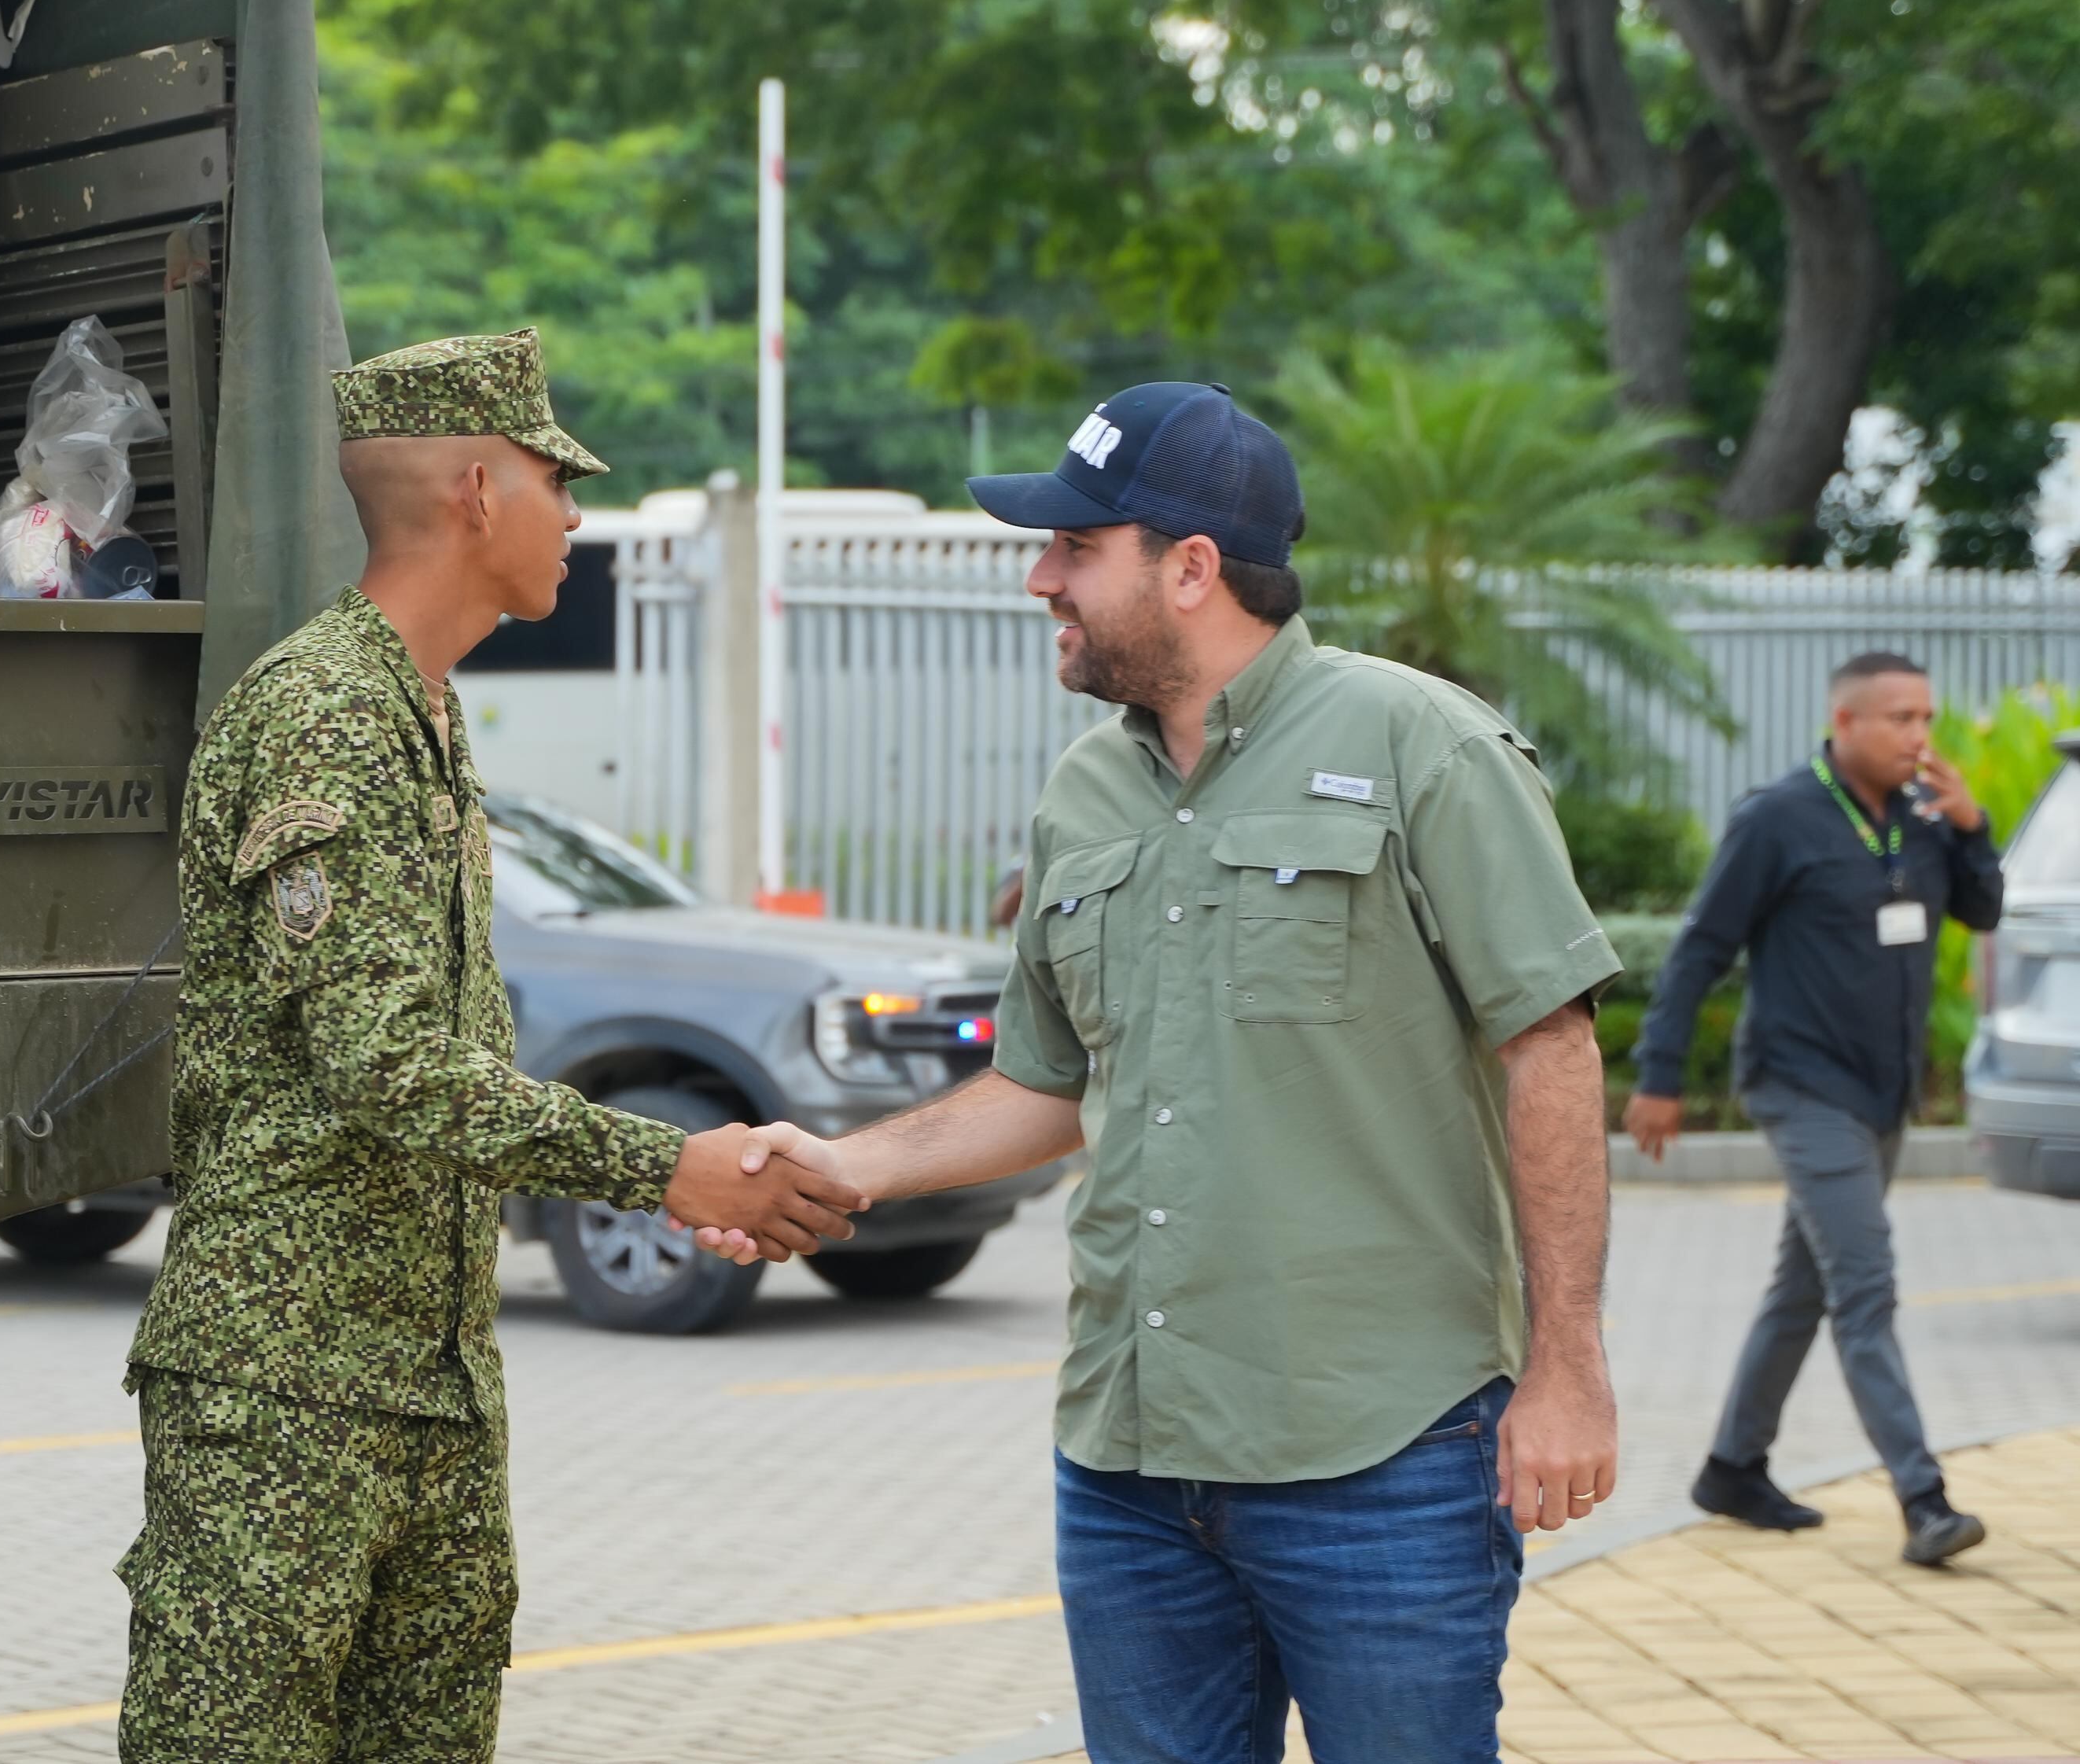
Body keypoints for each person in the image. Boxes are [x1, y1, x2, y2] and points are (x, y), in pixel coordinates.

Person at [711, 381, 1624, 1764]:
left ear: (1191, 568)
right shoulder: (1085, 792)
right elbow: (1050, 1079)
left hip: (1381, 1455)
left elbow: (1550, 1046)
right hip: (1130, 1468)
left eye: (1076, 548)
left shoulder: (1420, 744)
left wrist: (1569, 1369)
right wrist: (851, 1167)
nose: (1040, 578)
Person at [114, 328, 867, 1763]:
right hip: (291, 1384)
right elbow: (384, 1061)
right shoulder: (328, 711)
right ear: (474, 487)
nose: (575, 515)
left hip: (433, 1377)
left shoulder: (429, 712)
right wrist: (669, 1168)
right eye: (552, 479)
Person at [1628, 650, 2004, 1567]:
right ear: (1844, 723)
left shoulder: (1923, 819)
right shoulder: (1777, 818)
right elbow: (1697, 949)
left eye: (1926, 717)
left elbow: (1981, 912)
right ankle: (1924, 1499)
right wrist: (1659, 1075)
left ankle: (1730, 1467)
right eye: (1899, 719)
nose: (1919, 736)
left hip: (1884, 1092)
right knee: (1863, 1286)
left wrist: (1970, 826)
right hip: (1801, 1087)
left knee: (1801, 1287)